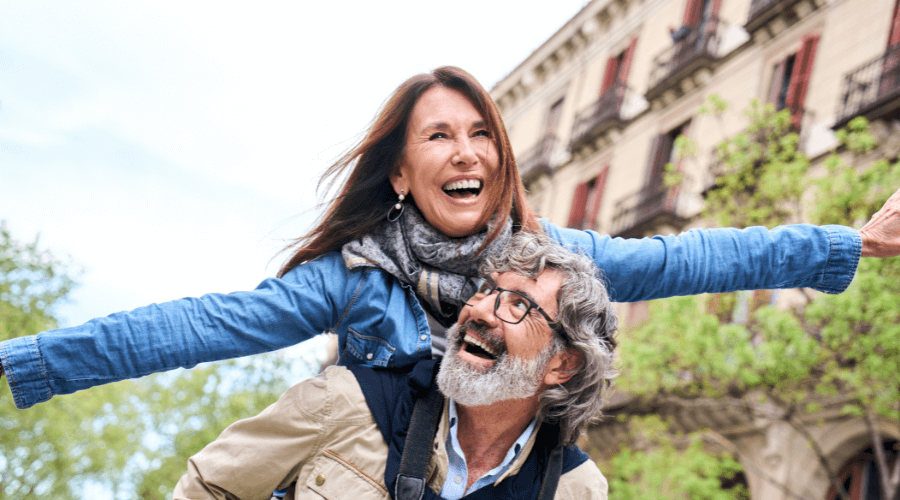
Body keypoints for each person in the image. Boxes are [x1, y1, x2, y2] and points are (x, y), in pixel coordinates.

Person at [1, 66, 898, 410]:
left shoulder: (555, 257)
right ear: (401, 174)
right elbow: (198, 325)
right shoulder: (354, 279)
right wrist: (23, 363)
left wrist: (847, 244)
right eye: (438, 136)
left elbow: (694, 256)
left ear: (501, 160)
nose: (465, 151)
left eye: (480, 135)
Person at [173, 232, 617, 500]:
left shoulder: (577, 488)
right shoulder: (343, 402)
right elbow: (210, 487)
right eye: (486, 291)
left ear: (563, 364)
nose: (479, 311)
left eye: (519, 304)